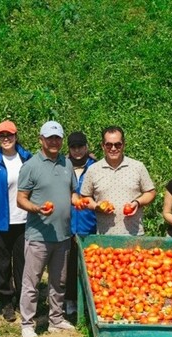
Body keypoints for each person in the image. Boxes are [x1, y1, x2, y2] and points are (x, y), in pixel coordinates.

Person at [16, 121, 77, 337]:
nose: (54, 142)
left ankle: (56, 319)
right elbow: (20, 198)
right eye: (49, 138)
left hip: (63, 235)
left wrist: (80, 201)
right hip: (38, 236)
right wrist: (36, 208)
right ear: (41, 139)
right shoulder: (31, 166)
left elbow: (71, 192)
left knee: (58, 281)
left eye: (57, 138)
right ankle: (27, 323)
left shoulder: (66, 164)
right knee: (31, 282)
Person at [0, 120, 33, 322]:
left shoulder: (27, 159)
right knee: (0, 265)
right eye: (2, 135)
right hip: (1, 222)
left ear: (16, 136)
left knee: (23, 264)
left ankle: (23, 300)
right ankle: (6, 302)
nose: (6, 139)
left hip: (24, 221)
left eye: (9, 135)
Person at [80, 126, 156, 235]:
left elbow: (150, 192)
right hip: (105, 235)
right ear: (103, 146)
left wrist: (137, 202)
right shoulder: (93, 170)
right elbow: (85, 197)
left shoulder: (137, 167)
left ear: (123, 144)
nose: (113, 148)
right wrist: (97, 206)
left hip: (134, 235)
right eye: (109, 144)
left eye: (118, 144)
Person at [65, 131, 97, 316]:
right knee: (68, 266)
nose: (77, 150)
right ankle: (69, 300)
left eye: (80, 146)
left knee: (89, 266)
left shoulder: (95, 166)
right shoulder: (62, 165)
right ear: (69, 148)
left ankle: (87, 300)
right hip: (67, 224)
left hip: (90, 223)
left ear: (86, 146)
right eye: (73, 147)